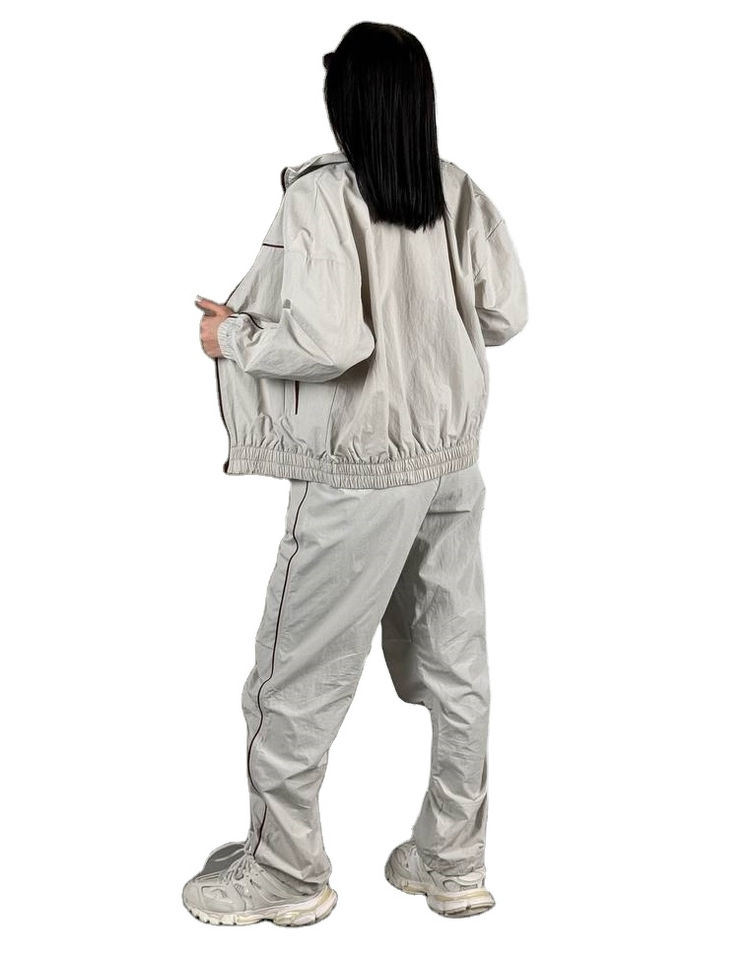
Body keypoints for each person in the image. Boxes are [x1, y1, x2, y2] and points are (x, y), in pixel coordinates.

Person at [186, 20, 528, 926]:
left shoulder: (322, 196)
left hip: (360, 475)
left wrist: (233, 336)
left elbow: (330, 342)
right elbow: (505, 314)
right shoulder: (453, 187)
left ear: (345, 102)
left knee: (293, 678)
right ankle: (452, 862)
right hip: (450, 464)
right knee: (455, 665)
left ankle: (284, 875)